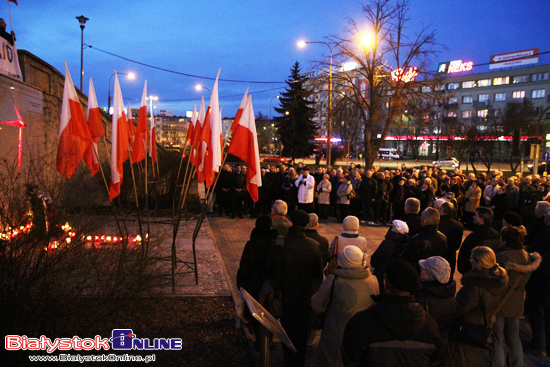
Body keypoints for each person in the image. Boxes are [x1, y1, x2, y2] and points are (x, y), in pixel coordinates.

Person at [342, 258, 442, 367]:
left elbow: (350, 359)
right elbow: (436, 360)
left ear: (385, 283)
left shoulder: (362, 322)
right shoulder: (429, 325)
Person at [267, 210, 324, 367]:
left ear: (290, 223)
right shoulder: (313, 246)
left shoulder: (280, 243)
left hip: (285, 295)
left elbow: (271, 269)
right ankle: (300, 361)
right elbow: (318, 274)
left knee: (287, 331)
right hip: (305, 296)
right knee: (301, 333)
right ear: (306, 225)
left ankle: (289, 360)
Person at [311, 246, 379, 367]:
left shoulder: (333, 280)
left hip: (336, 334)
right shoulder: (373, 281)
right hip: (363, 334)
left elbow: (316, 304)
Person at [448, 246, 508, 367]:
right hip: (482, 329)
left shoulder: (475, 286)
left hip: (466, 330)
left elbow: (459, 309)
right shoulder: (497, 281)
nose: (469, 260)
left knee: (461, 360)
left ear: (479, 263)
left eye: (471, 258)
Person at [492, 226, 541, 367]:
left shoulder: (503, 257)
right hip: (517, 301)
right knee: (514, 337)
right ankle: (517, 363)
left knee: (498, 338)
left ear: (505, 240)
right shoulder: (526, 256)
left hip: (501, 301)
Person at [415, 256, 457, 362]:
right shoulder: (450, 295)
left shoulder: (423, 296)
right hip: (442, 345)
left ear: (431, 274)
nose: (421, 269)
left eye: (424, 269)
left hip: (425, 345)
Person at [400, 208, 448, 273]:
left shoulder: (416, 239)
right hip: (436, 273)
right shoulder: (443, 238)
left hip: (420, 274)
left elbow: (408, 261)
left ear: (425, 221)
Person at [456, 207, 500, 275]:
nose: (473, 217)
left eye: (476, 215)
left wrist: (465, 271)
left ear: (481, 219)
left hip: (474, 274)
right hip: (490, 273)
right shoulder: (496, 235)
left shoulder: (474, 237)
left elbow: (464, 256)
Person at [371, 219, 409, 292]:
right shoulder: (406, 244)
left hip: (382, 275)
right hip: (397, 277)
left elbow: (375, 260)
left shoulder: (387, 244)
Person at [438, 201, 464, 279]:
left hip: (439, 254)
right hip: (451, 254)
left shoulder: (439, 224)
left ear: (442, 211)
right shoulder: (459, 225)